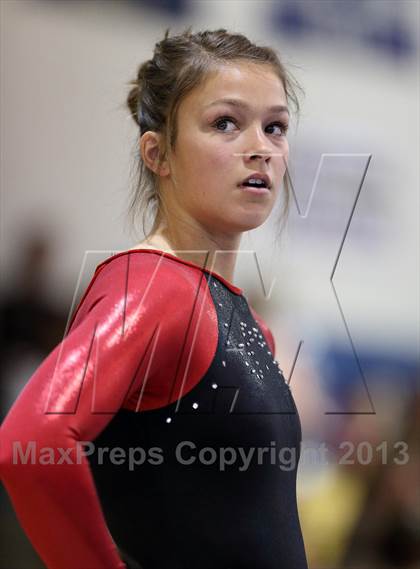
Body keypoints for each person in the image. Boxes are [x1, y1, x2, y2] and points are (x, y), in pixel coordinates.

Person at [0, 27, 308, 569]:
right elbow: (30, 442)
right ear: (157, 153)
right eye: (225, 123)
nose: (260, 147)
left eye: (275, 127)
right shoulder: (152, 287)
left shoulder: (249, 326)